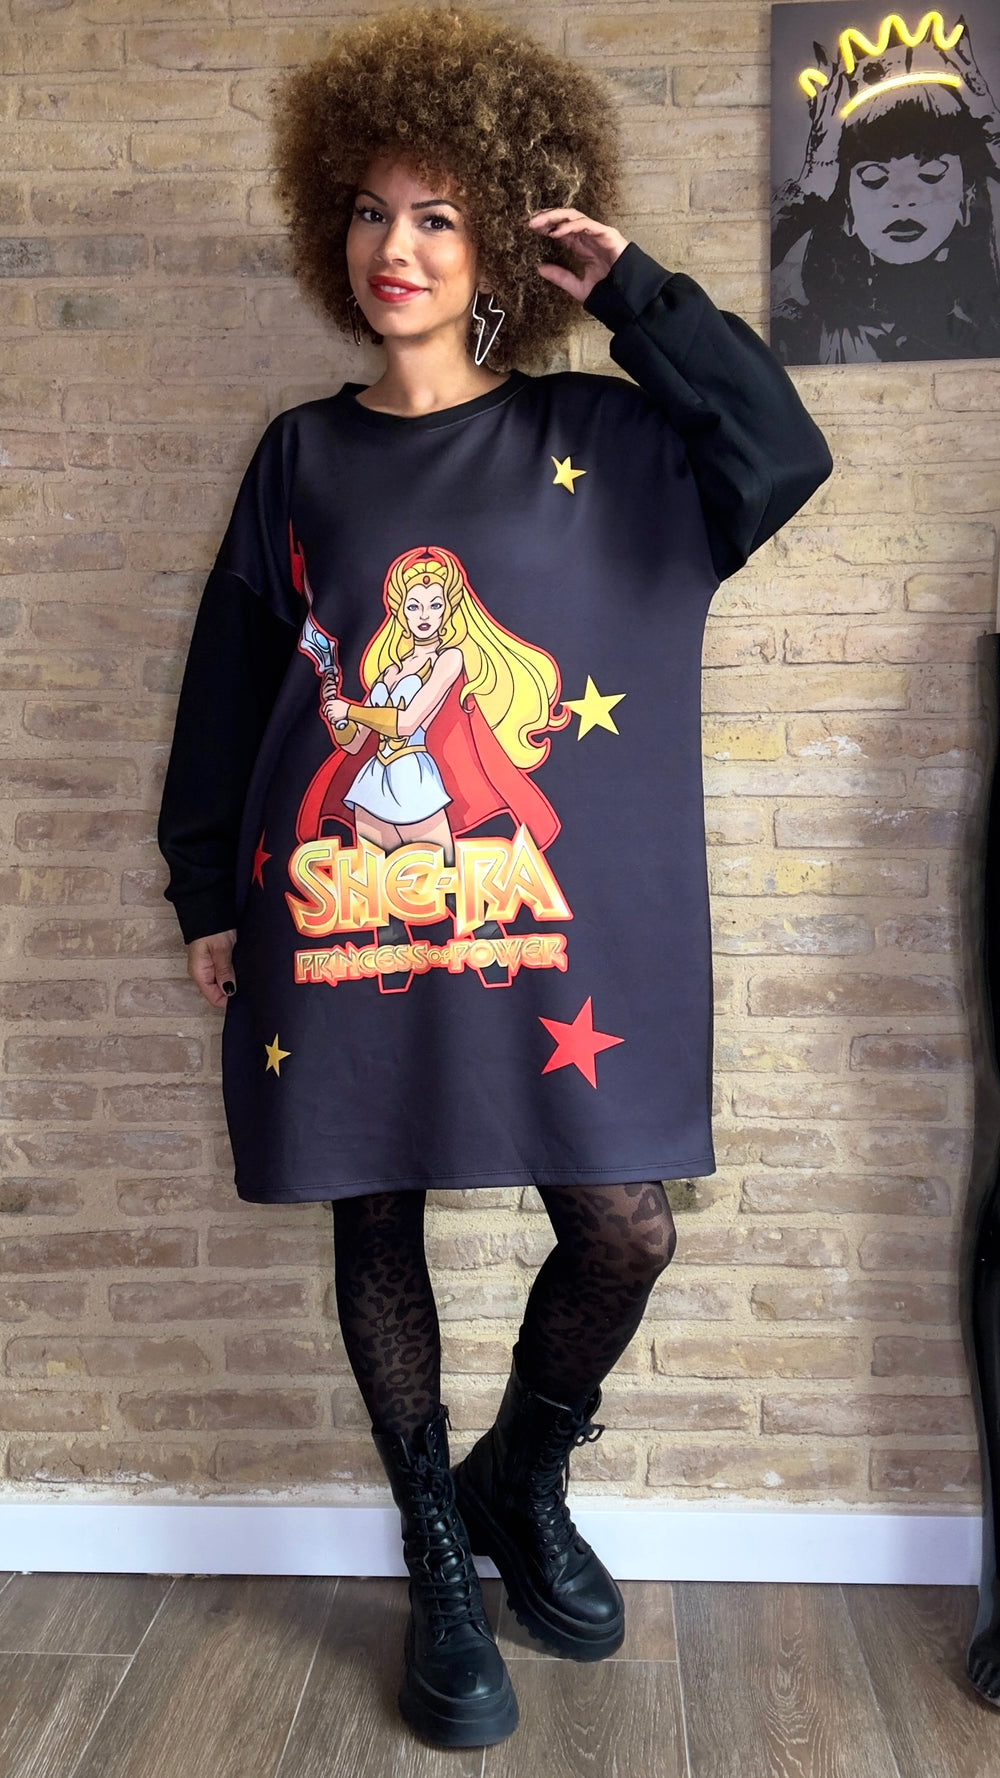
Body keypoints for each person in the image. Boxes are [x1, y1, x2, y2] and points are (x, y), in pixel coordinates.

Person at [157, 3, 832, 1750]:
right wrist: (205, 889)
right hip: (347, 904)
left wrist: (638, 294)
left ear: (503, 241)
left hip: (550, 925)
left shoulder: (610, 438)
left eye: (440, 214)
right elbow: (232, 685)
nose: (396, 246)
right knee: (375, 1208)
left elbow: (782, 452)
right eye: (371, 211)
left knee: (624, 1224)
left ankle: (517, 1473)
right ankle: (437, 1561)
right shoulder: (302, 455)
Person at [771, 13, 1000, 362]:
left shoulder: (990, 327)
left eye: (932, 173)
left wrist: (993, 133)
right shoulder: (797, 334)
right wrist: (816, 177)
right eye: (875, 178)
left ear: (966, 199)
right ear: (847, 210)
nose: (904, 199)